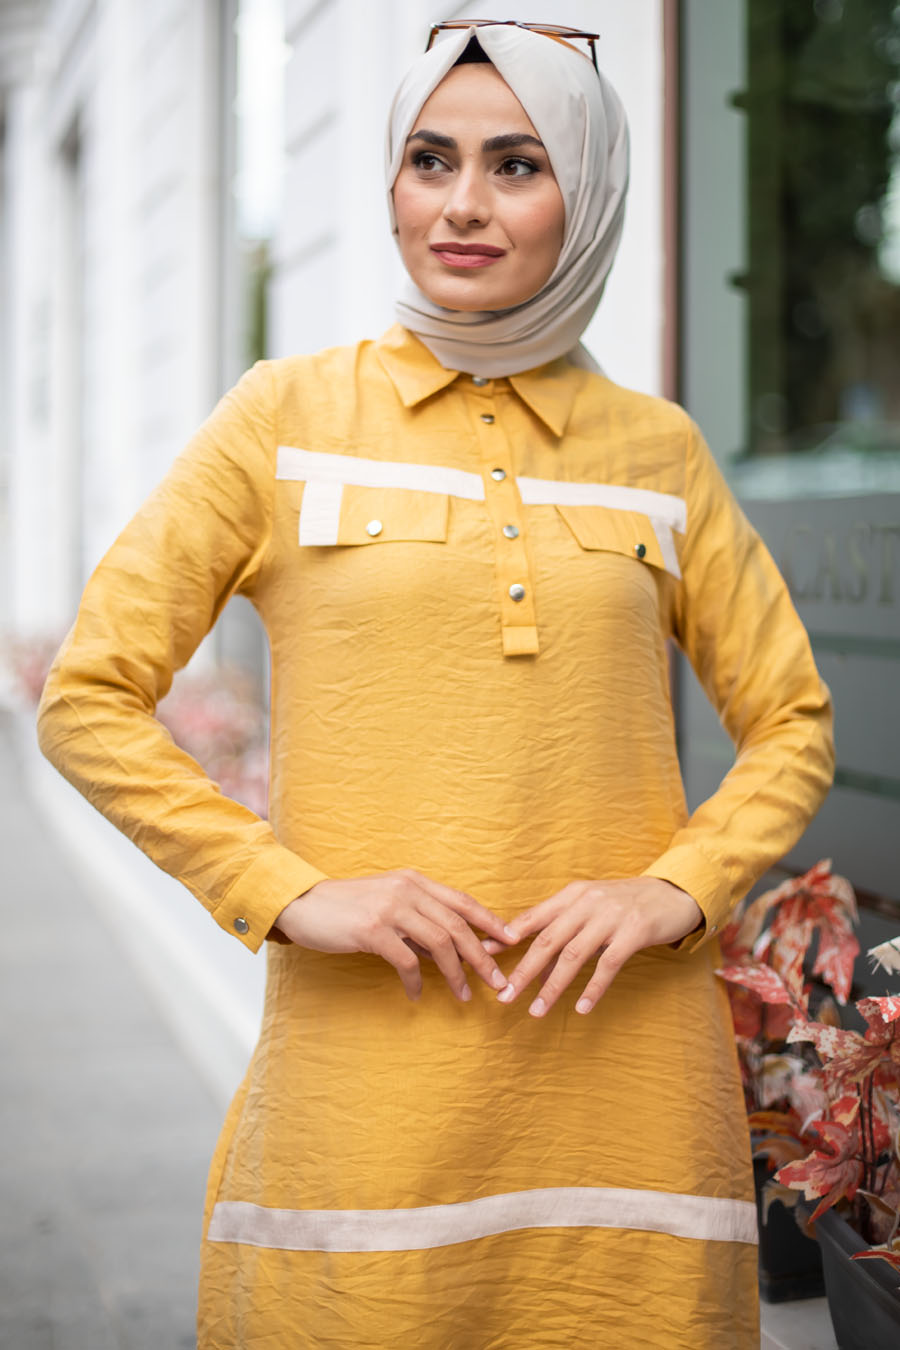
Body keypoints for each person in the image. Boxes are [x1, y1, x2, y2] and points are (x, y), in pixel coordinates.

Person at [37, 21, 834, 1349]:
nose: (460, 203)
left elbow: (796, 721)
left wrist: (677, 886)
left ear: (586, 193)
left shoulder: (661, 450)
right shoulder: (282, 419)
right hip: (367, 1102)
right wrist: (286, 889)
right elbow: (89, 697)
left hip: (629, 1094)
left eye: (516, 163)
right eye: (429, 158)